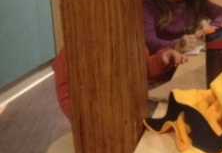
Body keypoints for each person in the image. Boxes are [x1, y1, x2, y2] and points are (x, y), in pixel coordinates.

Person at [53, 47, 186, 119]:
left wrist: (162, 59)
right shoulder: (69, 56)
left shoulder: (128, 42)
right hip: (98, 128)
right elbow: (68, 104)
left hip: (133, 115)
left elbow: (143, 69)